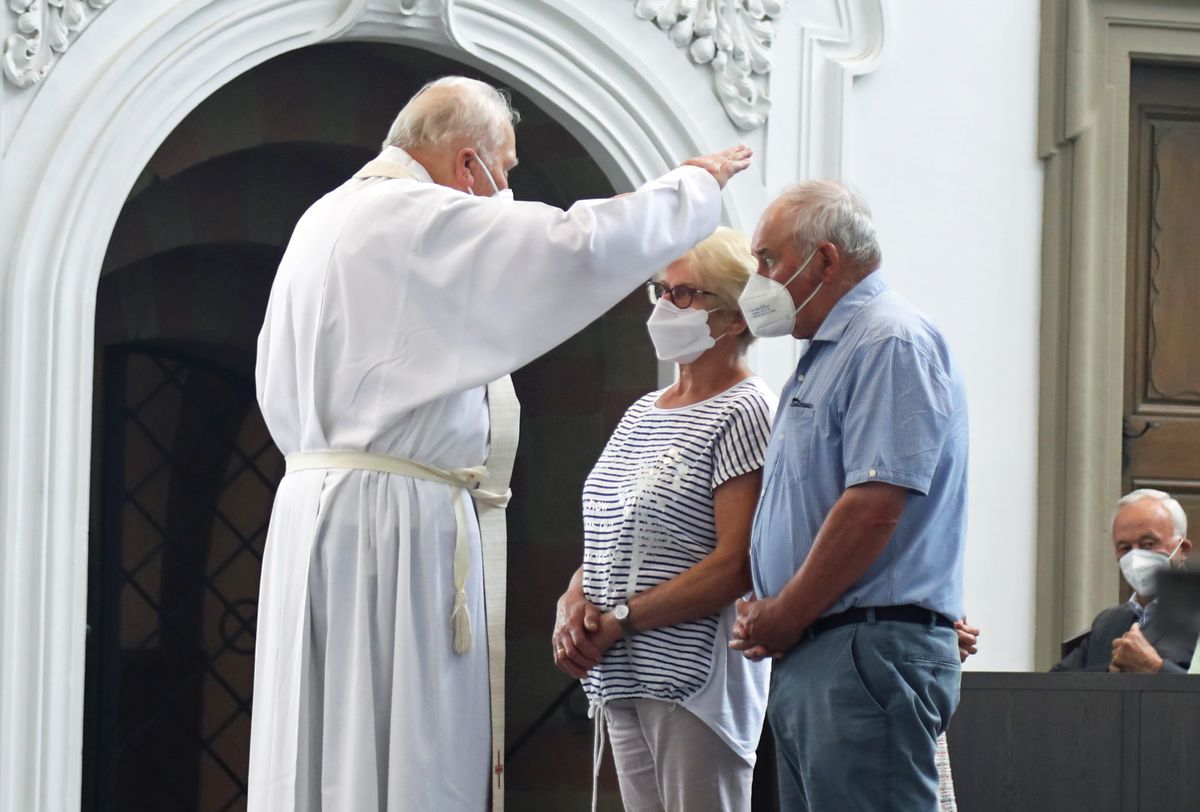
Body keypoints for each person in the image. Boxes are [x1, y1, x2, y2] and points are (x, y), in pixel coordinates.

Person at [249, 75, 752, 811]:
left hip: (311, 517)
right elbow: (576, 245)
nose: (505, 189)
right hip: (397, 526)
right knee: (402, 745)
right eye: (505, 170)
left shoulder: (322, 220)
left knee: (324, 741)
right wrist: (692, 189)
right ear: (465, 164)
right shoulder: (419, 216)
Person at [729, 180, 969, 811]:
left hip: (861, 650)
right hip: (823, 649)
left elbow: (874, 504)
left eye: (769, 260)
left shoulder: (889, 340)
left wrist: (786, 611)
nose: (758, 280)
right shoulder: (825, 354)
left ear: (826, 260)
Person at [551, 228, 774, 812]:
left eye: (683, 295)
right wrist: (574, 601)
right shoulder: (641, 412)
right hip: (622, 672)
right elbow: (614, 530)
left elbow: (737, 563)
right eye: (659, 290)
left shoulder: (747, 408)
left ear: (733, 316)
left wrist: (623, 618)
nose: (662, 307)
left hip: (693, 680)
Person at [1052, 488, 1195, 672]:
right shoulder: (1107, 623)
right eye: (1125, 547)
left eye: (1148, 544)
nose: (1136, 556)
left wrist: (1155, 668)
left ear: (1182, 549)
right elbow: (1057, 686)